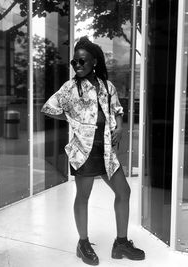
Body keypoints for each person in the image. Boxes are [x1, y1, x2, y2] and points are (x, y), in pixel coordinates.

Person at [41, 36, 145, 265]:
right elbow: (48, 108)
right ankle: (83, 243)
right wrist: (72, 119)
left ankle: (121, 243)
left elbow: (118, 109)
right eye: (74, 62)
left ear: (94, 61)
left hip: (106, 148)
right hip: (83, 150)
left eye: (82, 61)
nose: (77, 66)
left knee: (124, 192)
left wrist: (120, 126)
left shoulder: (107, 86)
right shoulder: (69, 87)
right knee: (83, 196)